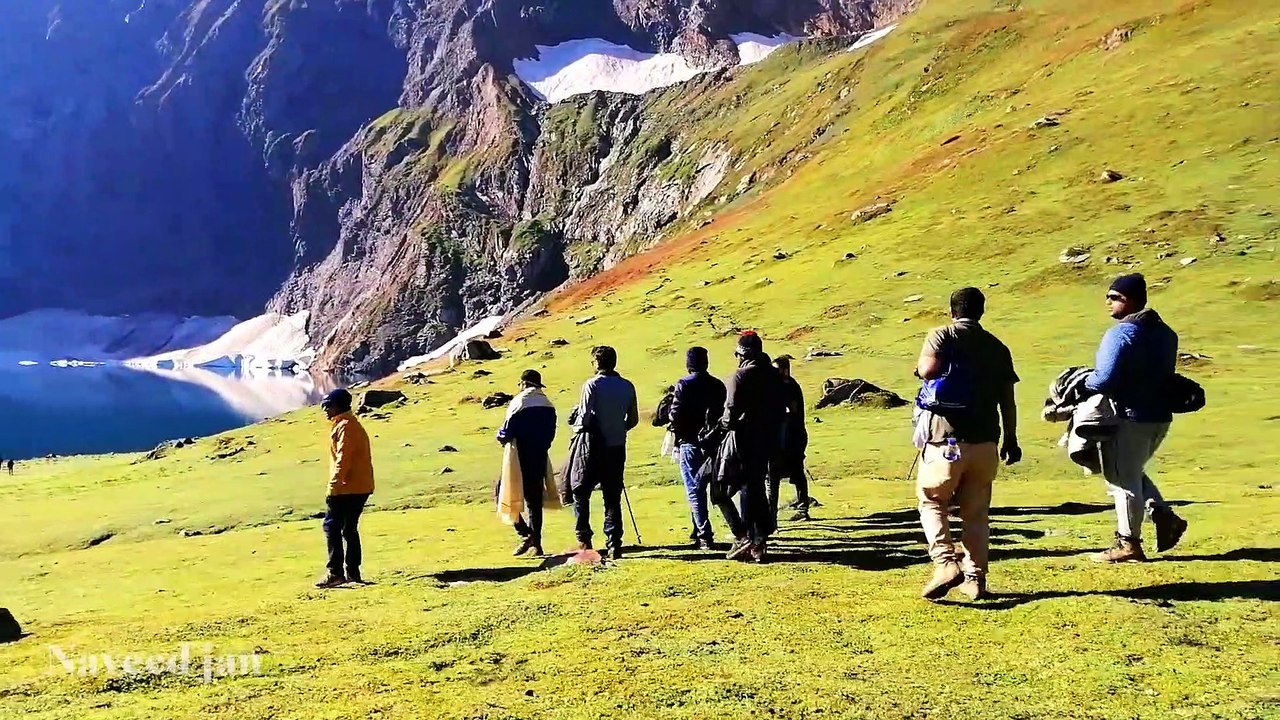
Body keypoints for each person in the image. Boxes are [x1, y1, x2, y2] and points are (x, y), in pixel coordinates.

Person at [914, 288, 1021, 601]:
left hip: (946, 438)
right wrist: (1011, 438)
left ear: (952, 311)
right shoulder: (998, 347)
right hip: (987, 439)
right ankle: (975, 579)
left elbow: (927, 371)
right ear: (981, 312)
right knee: (976, 514)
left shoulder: (941, 335)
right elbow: (1008, 401)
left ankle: (946, 562)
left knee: (932, 500)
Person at [1084, 273, 1187, 563]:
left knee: (1122, 480)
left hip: (1129, 416)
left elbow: (1103, 378)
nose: (1107, 302)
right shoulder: (1167, 334)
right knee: (1132, 471)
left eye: (1113, 297)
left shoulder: (1120, 334)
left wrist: (1083, 382)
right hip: (1160, 416)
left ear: (1127, 300)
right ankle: (1165, 517)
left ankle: (1128, 543)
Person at [720, 331, 785, 563]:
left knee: (745, 489)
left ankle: (748, 538)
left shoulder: (740, 376)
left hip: (745, 439)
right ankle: (760, 542)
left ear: (743, 354)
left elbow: (731, 412)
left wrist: (723, 425)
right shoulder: (775, 375)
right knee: (757, 487)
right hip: (770, 439)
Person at [571, 346, 639, 559]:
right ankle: (614, 542)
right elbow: (633, 419)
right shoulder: (627, 386)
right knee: (612, 495)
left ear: (596, 363)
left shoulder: (591, 385)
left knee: (580, 490)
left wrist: (574, 427)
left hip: (592, 445)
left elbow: (583, 419)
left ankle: (584, 539)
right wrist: (618, 428)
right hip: (617, 446)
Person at [316, 389, 375, 589]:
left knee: (331, 526)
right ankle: (353, 572)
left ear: (338, 405)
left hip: (347, 486)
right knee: (349, 529)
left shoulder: (345, 427)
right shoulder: (350, 424)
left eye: (327, 405)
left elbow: (343, 458)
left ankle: (335, 573)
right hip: (361, 485)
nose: (325, 410)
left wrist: (334, 485)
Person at [670, 347, 727, 550]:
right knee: (712, 488)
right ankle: (699, 529)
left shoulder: (684, 384)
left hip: (690, 442)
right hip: (714, 444)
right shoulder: (718, 385)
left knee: (694, 490)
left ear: (688, 364)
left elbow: (675, 415)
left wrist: (677, 433)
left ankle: (704, 534)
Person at [497, 370, 558, 557]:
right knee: (534, 501)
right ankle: (537, 544)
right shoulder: (548, 405)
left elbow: (506, 431)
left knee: (502, 490)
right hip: (539, 455)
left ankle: (525, 533)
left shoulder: (520, 403)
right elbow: (551, 434)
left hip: (518, 455)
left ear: (523, 383)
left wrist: (500, 437)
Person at [771, 355, 812, 522]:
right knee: (776, 475)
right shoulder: (782, 385)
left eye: (776, 370)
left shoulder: (789, 386)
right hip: (786, 436)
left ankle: (802, 508)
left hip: (792, 437)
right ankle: (772, 511)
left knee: (793, 472)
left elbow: (791, 412)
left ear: (785, 370)